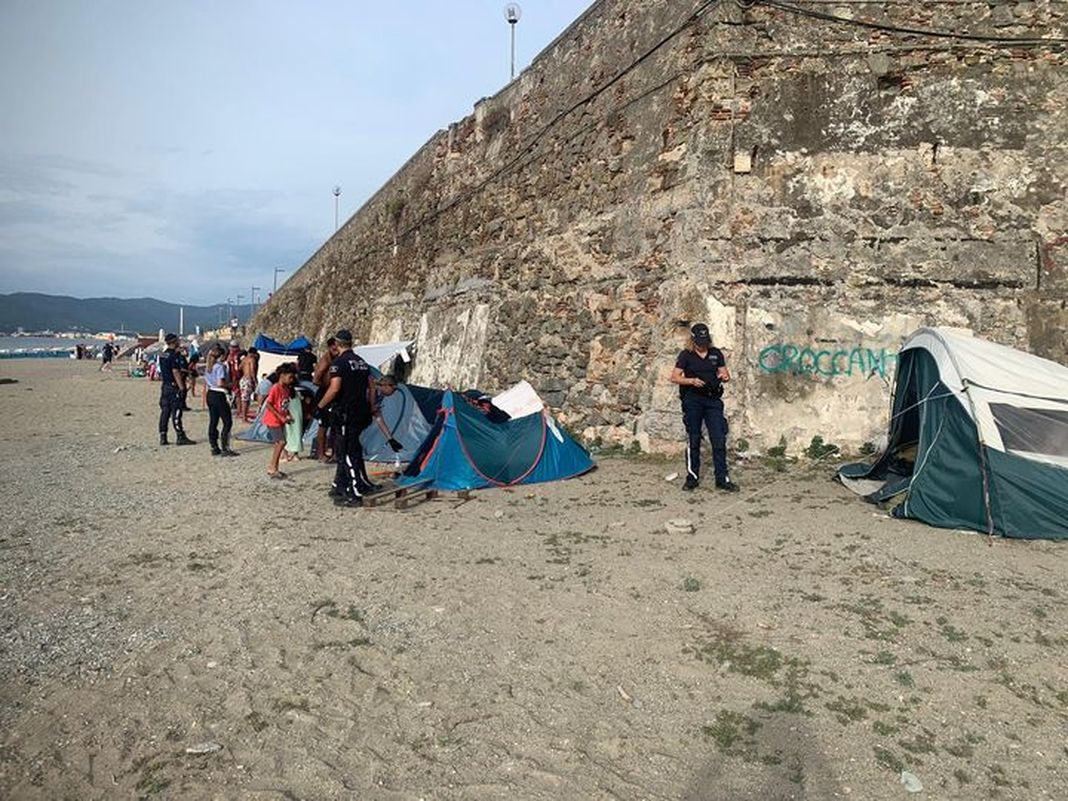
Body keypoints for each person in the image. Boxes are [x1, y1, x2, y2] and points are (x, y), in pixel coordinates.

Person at [670, 323, 738, 492]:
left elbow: (725, 373)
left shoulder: (716, 354)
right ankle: (692, 478)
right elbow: (674, 377)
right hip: (693, 399)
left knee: (719, 438)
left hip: (713, 400)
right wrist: (691, 381)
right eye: (699, 341)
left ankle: (722, 478)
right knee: (693, 438)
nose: (703, 345)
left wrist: (724, 376)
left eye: (705, 341)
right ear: (692, 340)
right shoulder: (686, 355)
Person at [316, 329, 376, 506]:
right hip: (361, 410)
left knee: (346, 450)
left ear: (336, 343)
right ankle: (339, 484)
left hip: (346, 411)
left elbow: (334, 389)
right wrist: (372, 407)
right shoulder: (362, 362)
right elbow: (371, 387)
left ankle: (354, 491)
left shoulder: (339, 364)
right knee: (352, 446)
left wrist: (320, 406)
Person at [158, 333, 195, 446]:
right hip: (174, 386)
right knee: (176, 411)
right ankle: (180, 436)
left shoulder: (162, 354)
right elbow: (175, 371)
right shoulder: (174, 355)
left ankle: (163, 436)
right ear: (175, 342)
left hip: (165, 385)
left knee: (165, 411)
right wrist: (182, 387)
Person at [263, 362, 297, 478]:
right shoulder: (275, 388)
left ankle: (274, 467)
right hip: (273, 420)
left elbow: (284, 405)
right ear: (282, 375)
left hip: (280, 420)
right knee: (281, 442)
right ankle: (273, 467)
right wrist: (280, 416)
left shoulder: (286, 389)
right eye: (290, 377)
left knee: (281, 443)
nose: (292, 379)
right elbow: (268, 404)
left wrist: (288, 415)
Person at [203, 343, 238, 457]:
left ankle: (214, 446)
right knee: (227, 422)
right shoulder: (220, 366)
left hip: (211, 393)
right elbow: (220, 383)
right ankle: (225, 447)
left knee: (213, 421)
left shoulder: (208, 366)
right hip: (219, 394)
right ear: (222, 356)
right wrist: (230, 385)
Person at [312, 337, 341, 463]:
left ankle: (333, 452)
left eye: (337, 347)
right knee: (323, 426)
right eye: (334, 347)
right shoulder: (326, 360)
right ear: (329, 348)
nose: (336, 350)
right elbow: (316, 379)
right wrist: (327, 386)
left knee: (335, 424)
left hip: (333, 393)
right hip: (325, 393)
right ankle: (321, 454)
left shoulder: (336, 359)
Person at [238, 347, 258, 422]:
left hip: (243, 379)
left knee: (245, 399)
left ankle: (244, 416)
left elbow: (239, 368)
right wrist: (255, 381)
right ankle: (244, 417)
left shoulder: (244, 359)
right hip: (248, 380)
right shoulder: (252, 359)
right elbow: (252, 371)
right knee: (246, 400)